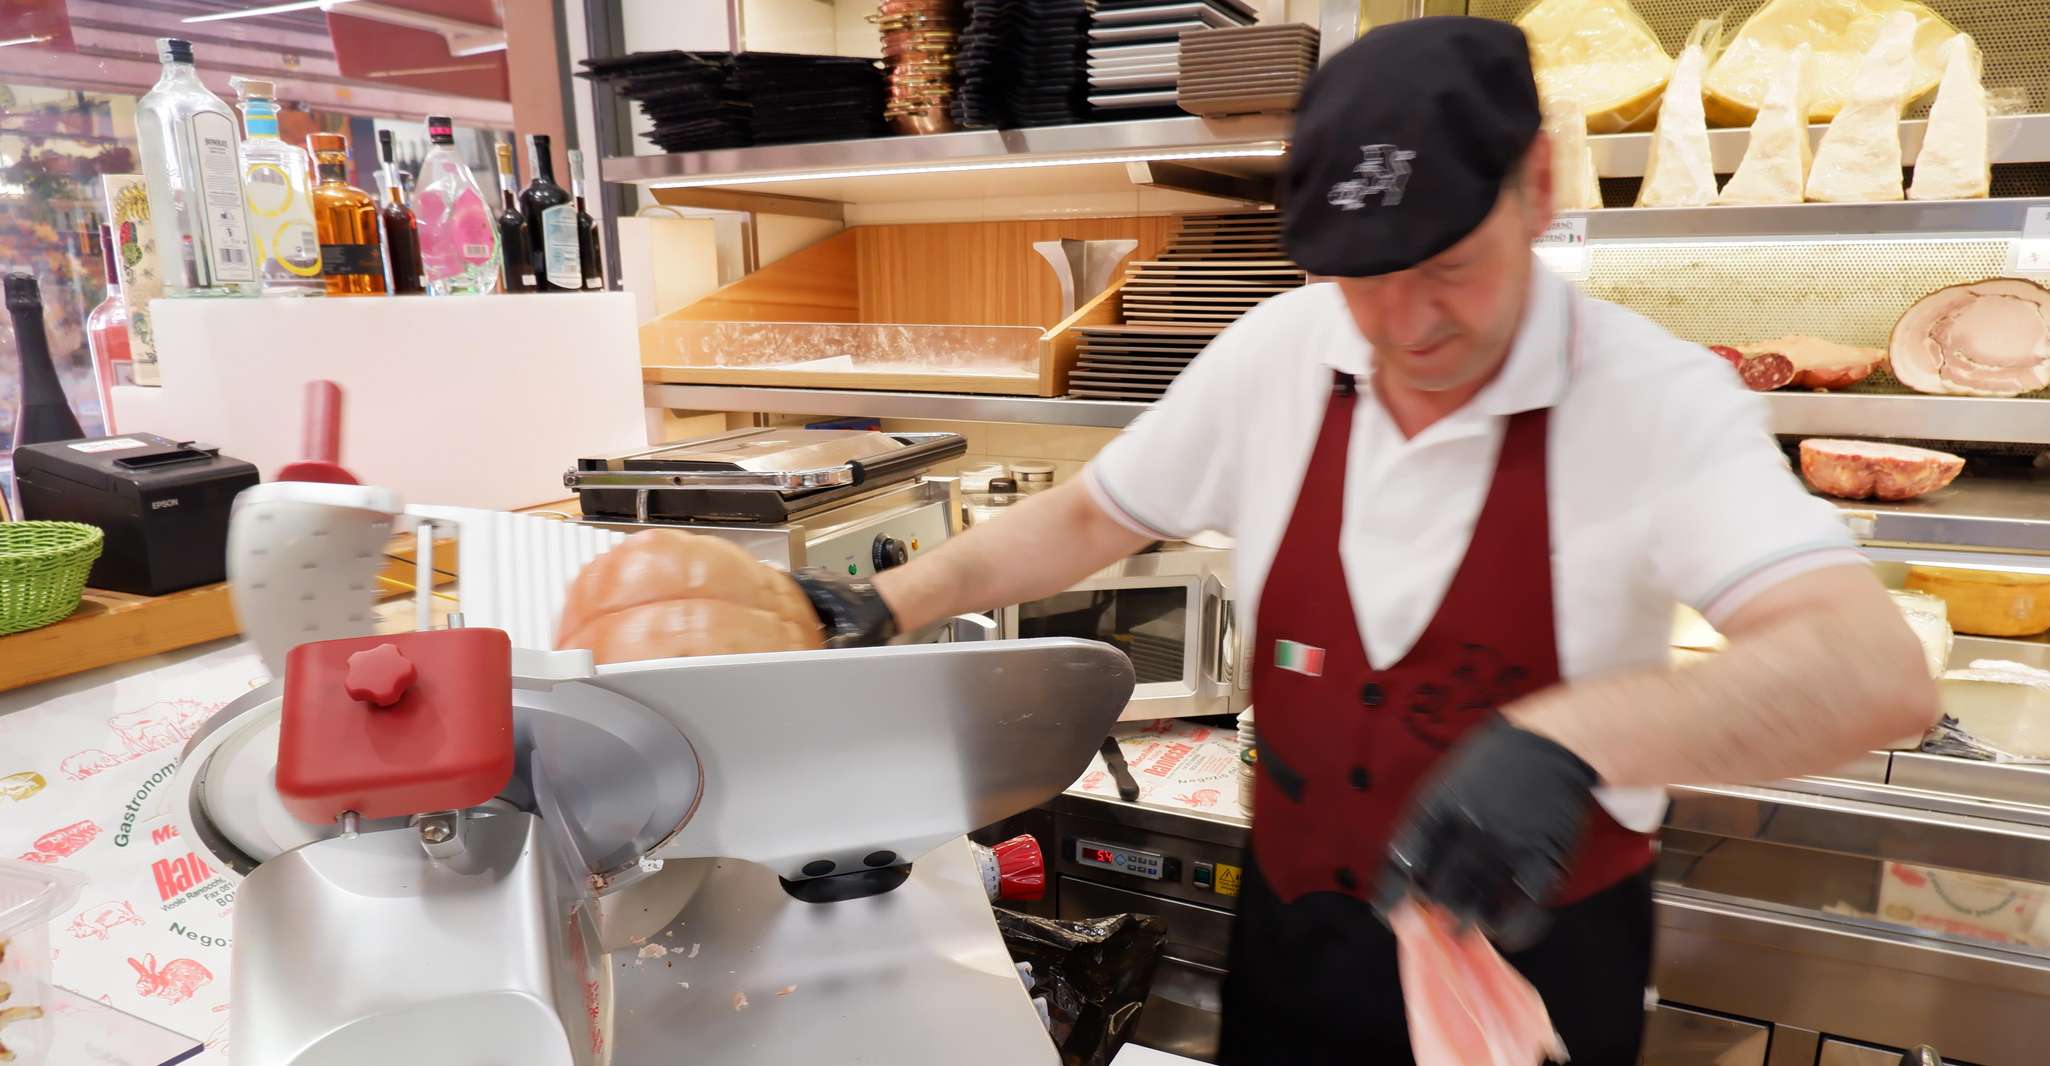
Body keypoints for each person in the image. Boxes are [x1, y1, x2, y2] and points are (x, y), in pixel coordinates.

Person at [778, 16, 1938, 1064]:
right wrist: (891, 604)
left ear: (1535, 186)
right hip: (1296, 931)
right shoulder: (1273, 354)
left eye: (1447, 266)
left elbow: (1871, 673)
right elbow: (1092, 514)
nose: (1405, 324)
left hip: (1533, 951)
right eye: (1362, 278)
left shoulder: (1657, 399)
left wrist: (1576, 737)